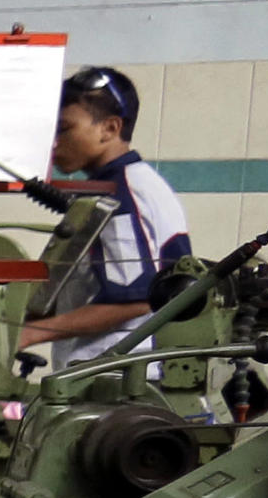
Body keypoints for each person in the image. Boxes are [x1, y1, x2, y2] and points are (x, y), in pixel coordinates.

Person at [16, 64, 189, 368]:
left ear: (110, 128)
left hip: (117, 374)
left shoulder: (119, 192)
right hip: (115, 369)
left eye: (64, 129)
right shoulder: (132, 183)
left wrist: (29, 334)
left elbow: (134, 299)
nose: (54, 143)